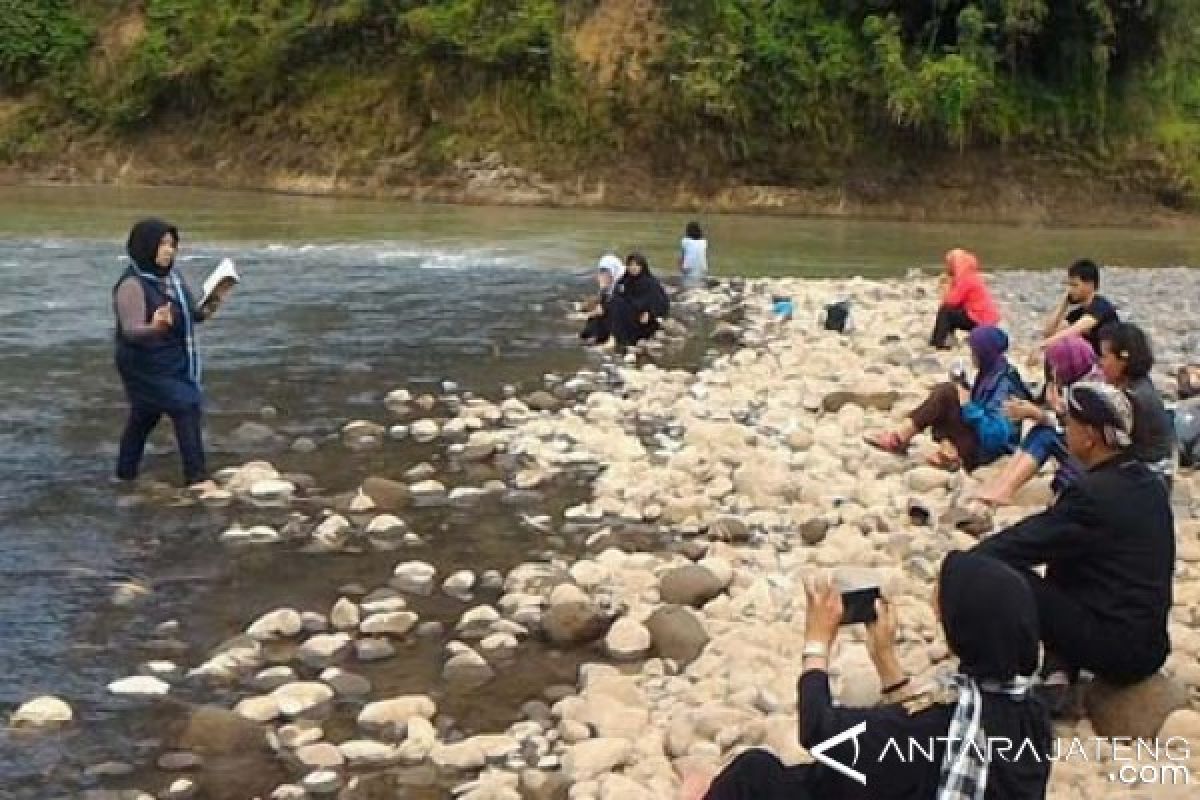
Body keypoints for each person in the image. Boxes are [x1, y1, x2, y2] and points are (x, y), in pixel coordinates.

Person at [686, 553, 1051, 800]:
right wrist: (886, 662)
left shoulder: (937, 725)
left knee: (756, 773)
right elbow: (914, 746)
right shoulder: (1031, 714)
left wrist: (817, 643)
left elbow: (819, 731)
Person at [973, 382, 1174, 704]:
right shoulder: (1149, 484)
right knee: (1068, 554)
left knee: (1002, 576)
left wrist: (964, 567)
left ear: (1090, 435)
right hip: (1150, 645)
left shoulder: (1092, 494)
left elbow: (1022, 543)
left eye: (1070, 424)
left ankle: (995, 677)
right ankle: (1059, 667)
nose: (1065, 429)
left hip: (1116, 649)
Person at [113, 218, 219, 489]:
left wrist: (212, 301)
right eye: (162, 245)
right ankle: (196, 477)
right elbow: (132, 330)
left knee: (144, 416)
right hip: (144, 363)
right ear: (145, 246)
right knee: (186, 405)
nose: (168, 251)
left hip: (173, 358)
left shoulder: (173, 278)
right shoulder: (132, 285)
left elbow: (191, 315)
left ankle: (125, 475)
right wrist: (154, 327)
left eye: (172, 245)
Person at [865, 326, 1031, 471]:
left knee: (946, 392)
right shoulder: (992, 371)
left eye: (975, 352)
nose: (972, 355)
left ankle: (913, 442)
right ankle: (907, 438)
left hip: (990, 451)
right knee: (947, 394)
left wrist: (968, 406)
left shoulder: (1004, 385)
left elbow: (995, 436)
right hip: (979, 435)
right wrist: (964, 387)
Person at [974, 335, 1101, 506]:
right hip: (1083, 445)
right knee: (1041, 431)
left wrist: (1039, 414)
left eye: (1057, 366)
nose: (1054, 371)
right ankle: (1001, 485)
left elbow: (1078, 430)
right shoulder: (1079, 384)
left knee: (1045, 435)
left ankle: (1004, 490)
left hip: (1093, 456)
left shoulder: (1090, 392)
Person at [1098, 322, 1175, 485]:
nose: (1100, 363)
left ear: (1122, 361)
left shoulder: (1133, 397)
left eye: (1104, 357)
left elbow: (1108, 442)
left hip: (1147, 475)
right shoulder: (1139, 384)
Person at [1041, 259, 1118, 353]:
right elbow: (1048, 333)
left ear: (1090, 284)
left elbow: (1076, 329)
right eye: (1069, 285)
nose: (1070, 290)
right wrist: (1064, 303)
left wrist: (1043, 345)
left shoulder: (1101, 306)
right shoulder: (1077, 313)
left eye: (1074, 285)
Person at [931, 248, 1001, 349]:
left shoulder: (965, 279)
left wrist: (946, 286)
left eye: (950, 264)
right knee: (952, 312)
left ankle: (938, 342)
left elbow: (951, 302)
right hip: (986, 319)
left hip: (980, 320)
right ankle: (948, 338)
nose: (948, 267)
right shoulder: (971, 275)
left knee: (945, 311)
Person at [614, 251, 670, 345]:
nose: (633, 268)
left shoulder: (651, 283)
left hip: (645, 319)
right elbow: (617, 295)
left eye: (637, 265)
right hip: (628, 315)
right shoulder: (624, 280)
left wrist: (650, 313)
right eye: (630, 265)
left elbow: (661, 303)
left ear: (642, 266)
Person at [579, 253, 625, 345]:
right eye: (601, 271)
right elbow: (602, 306)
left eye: (605, 271)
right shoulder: (607, 287)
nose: (602, 274)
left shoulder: (622, 286)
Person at [679, 221, 708, 288]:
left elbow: (682, 257)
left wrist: (680, 268)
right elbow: (704, 256)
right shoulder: (704, 241)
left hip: (688, 270)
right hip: (703, 270)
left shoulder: (685, 241)